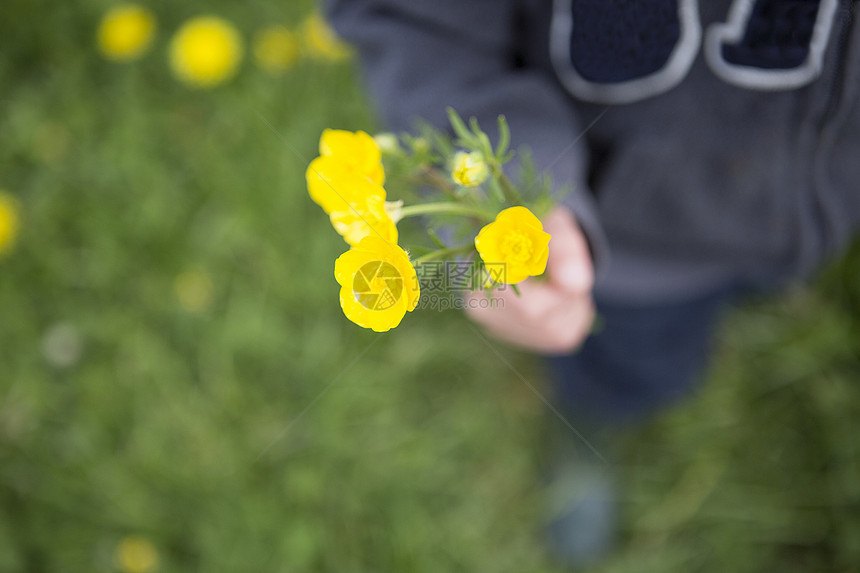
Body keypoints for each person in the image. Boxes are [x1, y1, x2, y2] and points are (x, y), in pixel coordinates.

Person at [327, 0, 860, 565]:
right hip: (623, 248)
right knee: (627, 364)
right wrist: (495, 197)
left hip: (818, 213)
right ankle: (591, 424)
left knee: (760, 288)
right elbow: (416, 25)